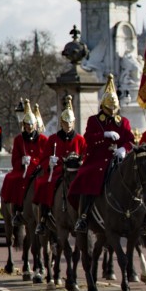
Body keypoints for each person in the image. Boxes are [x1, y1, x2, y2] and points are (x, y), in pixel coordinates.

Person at [70, 74, 136, 233]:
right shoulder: (94, 121)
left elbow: (130, 139)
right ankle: (84, 216)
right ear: (103, 106)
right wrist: (103, 136)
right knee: (87, 178)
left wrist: (123, 149)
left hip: (118, 159)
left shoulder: (124, 122)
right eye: (109, 109)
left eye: (114, 109)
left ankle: (140, 215)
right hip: (98, 159)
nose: (112, 112)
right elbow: (88, 138)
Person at [33, 96, 87, 234]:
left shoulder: (80, 139)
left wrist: (82, 162)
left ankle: (86, 217)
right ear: (61, 123)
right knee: (45, 185)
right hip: (57, 171)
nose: (68, 126)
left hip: (75, 172)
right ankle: (43, 219)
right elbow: (43, 159)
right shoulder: (53, 139)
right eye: (65, 123)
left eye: (70, 123)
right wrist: (50, 162)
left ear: (73, 123)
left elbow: (86, 155)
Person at [1, 100, 48, 226]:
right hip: (24, 169)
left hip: (38, 169)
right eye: (27, 125)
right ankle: (17, 210)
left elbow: (46, 156)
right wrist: (21, 161)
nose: (30, 127)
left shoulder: (43, 139)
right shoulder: (19, 140)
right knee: (15, 180)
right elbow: (14, 159)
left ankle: (49, 211)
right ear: (24, 125)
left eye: (32, 125)